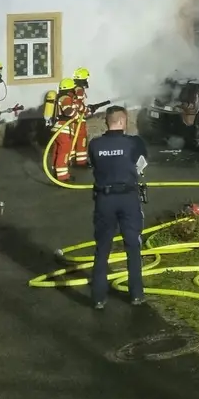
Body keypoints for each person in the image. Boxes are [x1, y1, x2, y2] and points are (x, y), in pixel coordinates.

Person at [85, 106, 150, 309]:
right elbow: (142, 166)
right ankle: (136, 294)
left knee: (102, 247)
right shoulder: (134, 142)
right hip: (128, 198)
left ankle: (98, 298)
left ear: (107, 121)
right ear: (122, 121)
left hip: (104, 199)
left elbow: (94, 165)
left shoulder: (95, 144)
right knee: (133, 246)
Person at [50, 78, 90, 182]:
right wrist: (76, 116)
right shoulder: (66, 98)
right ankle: (62, 176)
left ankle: (56, 170)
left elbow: (76, 106)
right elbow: (68, 111)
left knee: (57, 150)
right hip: (63, 128)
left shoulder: (61, 98)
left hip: (57, 127)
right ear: (70, 89)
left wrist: (85, 109)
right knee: (64, 151)